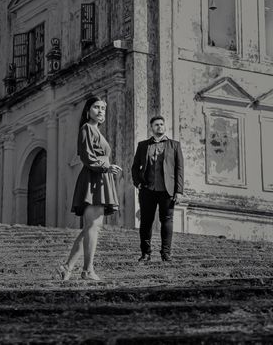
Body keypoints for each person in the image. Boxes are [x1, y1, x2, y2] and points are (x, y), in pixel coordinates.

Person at [58, 96, 122, 282]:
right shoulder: (86, 128)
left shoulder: (96, 131)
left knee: (91, 227)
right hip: (94, 177)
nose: (101, 111)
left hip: (100, 177)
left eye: (103, 108)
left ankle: (67, 267)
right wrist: (105, 167)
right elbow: (86, 156)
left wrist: (107, 167)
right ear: (88, 110)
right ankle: (87, 270)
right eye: (96, 107)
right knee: (93, 226)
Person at [130, 115, 184, 262]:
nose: (159, 127)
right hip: (147, 190)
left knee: (167, 221)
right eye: (156, 125)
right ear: (151, 128)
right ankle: (145, 253)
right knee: (146, 222)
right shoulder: (143, 145)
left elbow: (179, 169)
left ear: (165, 127)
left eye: (161, 124)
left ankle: (166, 253)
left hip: (168, 190)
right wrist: (138, 183)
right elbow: (135, 167)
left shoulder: (174, 145)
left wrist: (179, 191)